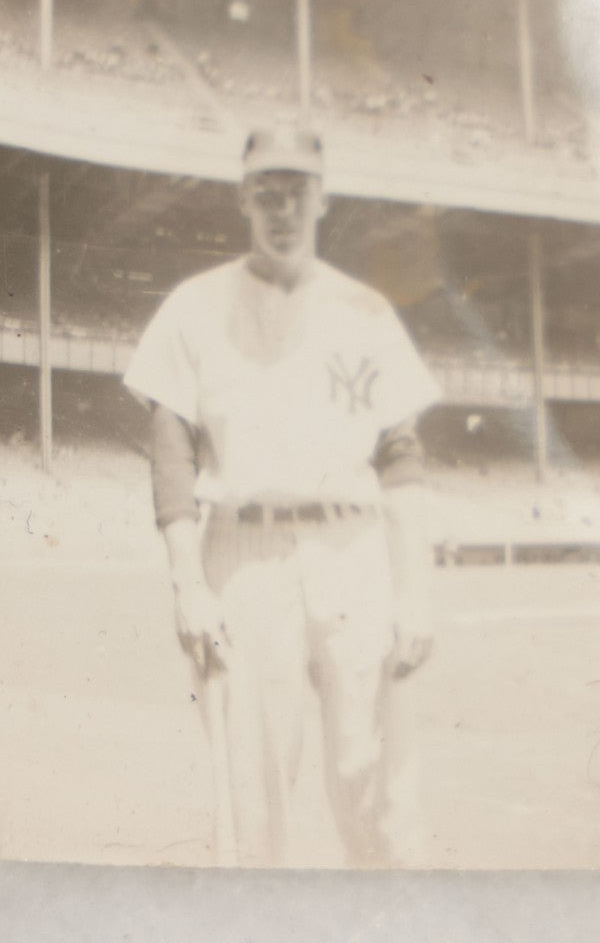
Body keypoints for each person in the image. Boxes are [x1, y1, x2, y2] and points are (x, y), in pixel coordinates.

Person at [123, 126, 442, 867]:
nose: (282, 209)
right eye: (266, 192)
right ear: (243, 198)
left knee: (373, 780)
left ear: (322, 199)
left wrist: (415, 592)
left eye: (297, 191)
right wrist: (188, 584)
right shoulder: (194, 306)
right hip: (245, 552)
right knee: (254, 786)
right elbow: (170, 450)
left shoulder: (365, 311)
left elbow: (401, 456)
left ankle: (394, 916)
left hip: (351, 547)